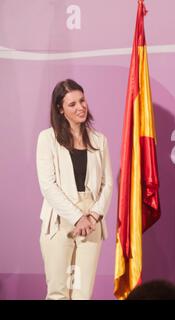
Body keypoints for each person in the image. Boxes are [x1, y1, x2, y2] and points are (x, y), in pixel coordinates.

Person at [36, 79, 113, 299]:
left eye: (82, 100)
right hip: (60, 218)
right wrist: (77, 217)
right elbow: (48, 186)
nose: (80, 107)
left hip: (92, 221)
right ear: (60, 109)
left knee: (82, 294)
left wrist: (94, 215)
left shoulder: (99, 140)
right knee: (58, 293)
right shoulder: (47, 139)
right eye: (72, 104)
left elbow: (107, 184)